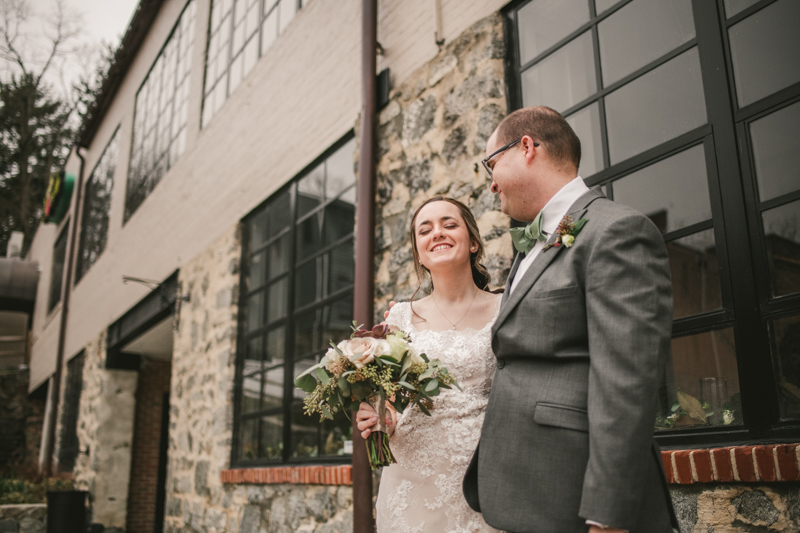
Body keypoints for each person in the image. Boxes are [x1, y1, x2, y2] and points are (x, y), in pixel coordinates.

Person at [461, 106, 679, 533]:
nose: (490, 182)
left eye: (491, 164)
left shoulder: (616, 231)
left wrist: (608, 515)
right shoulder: (528, 247)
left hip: (580, 501)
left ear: (526, 147)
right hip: (530, 495)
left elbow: (627, 381)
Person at [356, 196, 503, 533]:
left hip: (481, 478)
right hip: (412, 480)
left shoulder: (505, 308)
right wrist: (381, 417)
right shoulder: (399, 317)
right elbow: (388, 402)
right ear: (419, 253)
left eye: (449, 225)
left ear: (474, 242)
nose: (437, 233)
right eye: (426, 230)